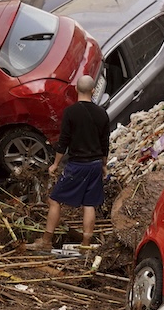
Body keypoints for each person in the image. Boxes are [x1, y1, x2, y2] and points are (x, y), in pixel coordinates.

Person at [26, 75, 110, 252]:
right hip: (95, 164)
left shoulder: (71, 112)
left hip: (77, 165)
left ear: (76, 89)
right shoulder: (102, 113)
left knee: (54, 200)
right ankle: (85, 244)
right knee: (89, 204)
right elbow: (105, 144)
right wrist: (104, 165)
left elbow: (63, 142)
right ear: (93, 91)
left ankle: (46, 240)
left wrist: (55, 164)